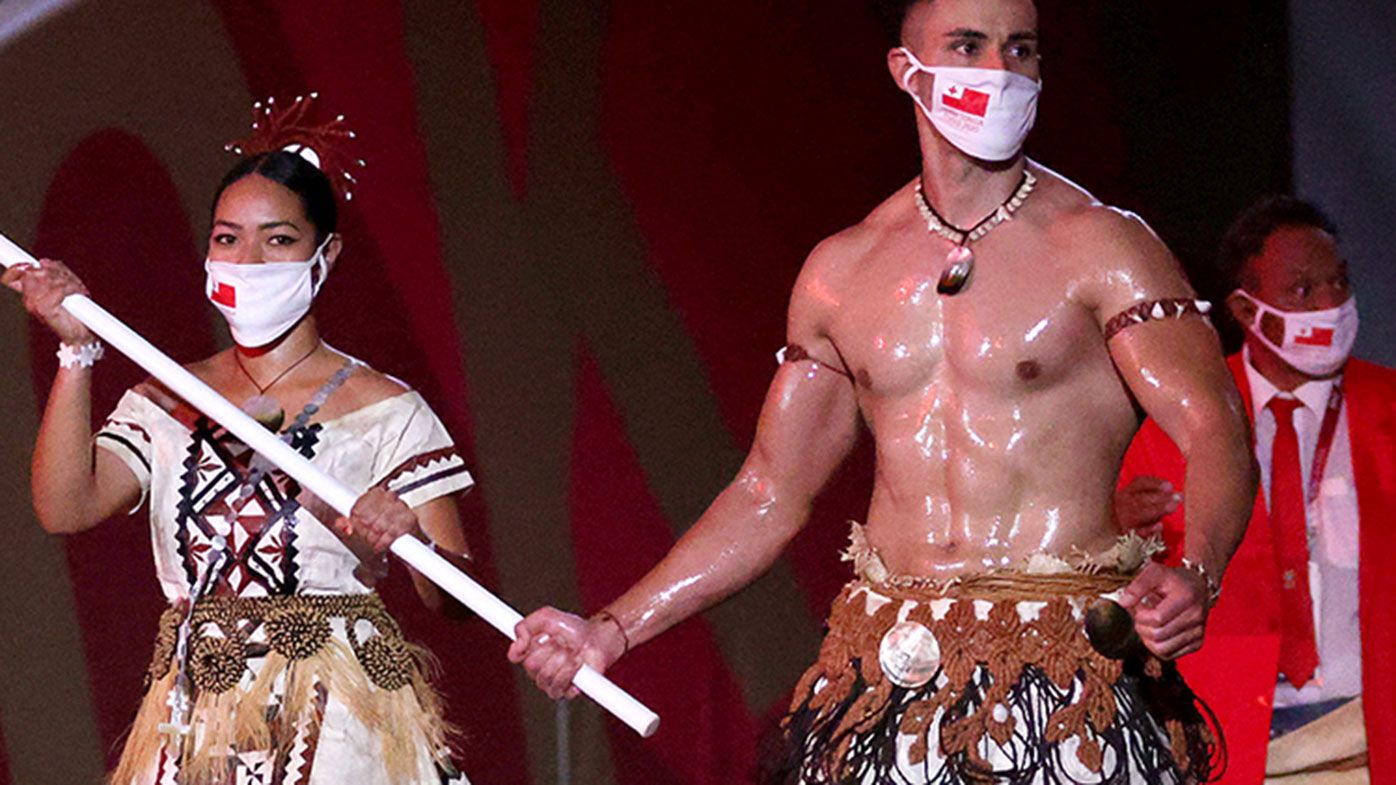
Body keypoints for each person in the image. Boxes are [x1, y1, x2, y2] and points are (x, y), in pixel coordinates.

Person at [508, 0, 1256, 782]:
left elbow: (1215, 428)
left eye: (1021, 49)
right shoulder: (843, 271)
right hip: (889, 672)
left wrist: (1198, 569)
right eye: (967, 46)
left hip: (1065, 668)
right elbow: (769, 489)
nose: (998, 71)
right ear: (907, 71)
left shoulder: (1105, 245)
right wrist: (611, 629)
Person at [4, 100, 475, 785]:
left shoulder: (383, 406)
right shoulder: (169, 394)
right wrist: (77, 353)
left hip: (340, 717)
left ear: (325, 254)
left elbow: (454, 596)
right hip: (195, 714)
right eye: (228, 238)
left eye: (277, 240)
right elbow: (65, 506)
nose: (248, 260)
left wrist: (410, 542)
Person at [1117, 196, 1395, 785]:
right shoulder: (1181, 420)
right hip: (1231, 738)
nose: (1331, 305)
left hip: (1370, 732)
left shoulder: (1390, 407)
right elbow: (1116, 579)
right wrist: (1122, 532)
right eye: (1302, 291)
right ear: (1246, 309)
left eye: (1339, 283)